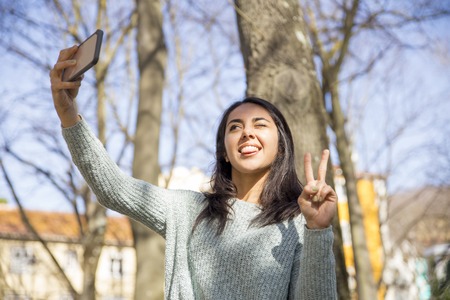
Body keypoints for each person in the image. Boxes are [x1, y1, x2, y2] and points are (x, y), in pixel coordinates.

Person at [50, 45, 338, 299]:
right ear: (224, 151)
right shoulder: (188, 210)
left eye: (260, 125)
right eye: (235, 127)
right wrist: (68, 114)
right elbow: (113, 188)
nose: (247, 132)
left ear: (281, 147)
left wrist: (318, 230)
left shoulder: (300, 225)